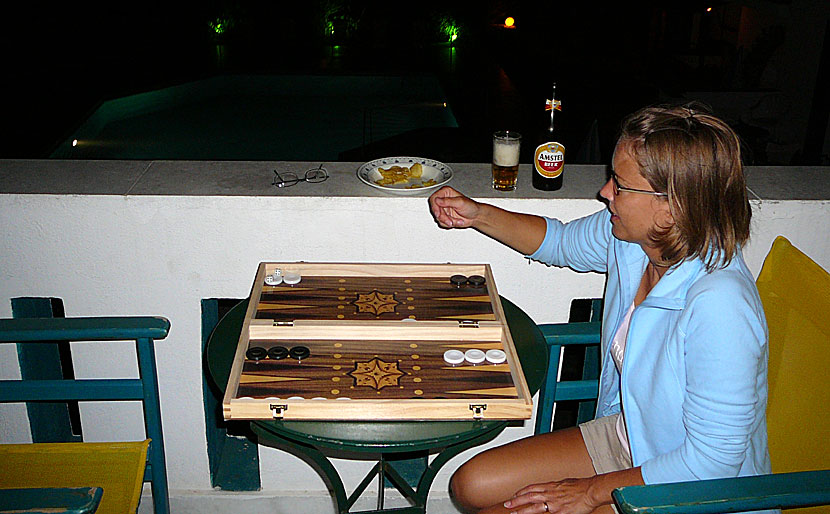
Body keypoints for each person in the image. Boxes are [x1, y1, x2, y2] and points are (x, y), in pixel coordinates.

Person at [428, 103, 770, 514]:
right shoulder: (633, 241)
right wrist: (476, 214)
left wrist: (591, 492)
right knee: (470, 485)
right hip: (629, 438)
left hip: (689, 489)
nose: (605, 192)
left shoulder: (721, 304)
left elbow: (712, 463)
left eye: (620, 185)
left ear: (672, 206)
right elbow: (558, 242)